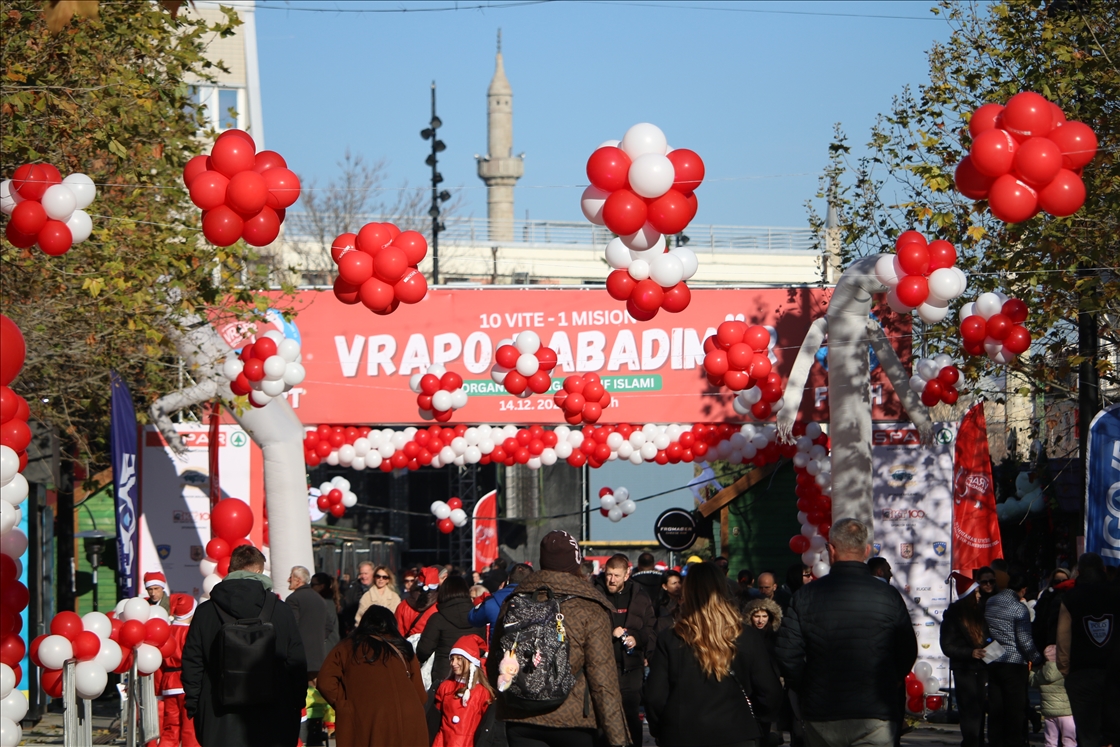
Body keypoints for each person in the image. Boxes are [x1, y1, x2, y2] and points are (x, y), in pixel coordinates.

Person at [774, 518, 917, 747]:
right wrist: (890, 680)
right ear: (867, 551)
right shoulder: (888, 596)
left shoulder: (805, 596)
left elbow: (787, 655)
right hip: (875, 711)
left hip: (823, 711)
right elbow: (907, 649)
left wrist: (808, 687)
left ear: (831, 550)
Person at [488, 530, 628, 747]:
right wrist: (618, 738)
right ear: (576, 562)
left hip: (521, 716)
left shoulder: (515, 601)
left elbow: (495, 661)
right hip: (573, 720)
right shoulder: (589, 608)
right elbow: (603, 681)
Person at [644, 562, 784, 747]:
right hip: (736, 732)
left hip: (682, 733)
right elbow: (769, 691)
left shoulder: (671, 638)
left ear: (687, 592)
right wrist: (756, 720)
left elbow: (655, 697)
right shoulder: (746, 636)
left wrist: (661, 729)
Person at [182, 545, 307, 747]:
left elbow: (192, 662)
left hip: (218, 713)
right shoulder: (282, 611)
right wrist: (296, 703)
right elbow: (297, 661)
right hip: (275, 714)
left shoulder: (206, 612)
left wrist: (195, 705)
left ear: (230, 569)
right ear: (259, 571)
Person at [317, 605, 429, 747]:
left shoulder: (347, 646)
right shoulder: (403, 647)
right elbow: (421, 695)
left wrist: (347, 704)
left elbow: (325, 682)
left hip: (370, 721)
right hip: (410, 720)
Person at [1056, 552, 1120, 747]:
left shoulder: (1071, 597)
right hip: (1115, 672)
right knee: (1115, 734)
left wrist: (1065, 669)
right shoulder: (1117, 593)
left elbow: (1063, 636)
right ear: (1103, 570)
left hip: (1081, 673)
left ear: (1079, 572)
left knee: (1087, 735)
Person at [594, 553, 657, 746]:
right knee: (604, 716)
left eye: (616, 576)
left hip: (631, 666)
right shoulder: (596, 593)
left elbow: (650, 628)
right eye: (609, 575)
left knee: (630, 715)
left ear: (627, 574)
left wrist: (636, 638)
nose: (611, 580)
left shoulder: (639, 596)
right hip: (604, 665)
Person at [983, 570, 1041, 747]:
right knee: (1014, 711)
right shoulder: (1019, 608)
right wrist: (1037, 658)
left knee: (996, 708)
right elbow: (1024, 639)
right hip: (1014, 663)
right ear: (1023, 590)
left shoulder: (991, 602)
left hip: (993, 659)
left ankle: (995, 742)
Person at [939, 573, 991, 747]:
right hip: (964, 669)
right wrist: (970, 653)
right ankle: (970, 742)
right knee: (969, 710)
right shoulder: (953, 616)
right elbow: (947, 646)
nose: (979, 595)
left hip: (982, 668)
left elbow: (988, 636)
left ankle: (978, 741)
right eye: (976, 592)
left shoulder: (982, 612)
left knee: (980, 708)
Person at [418, 576, 487, 688]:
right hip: (472, 676)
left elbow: (423, 651)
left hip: (444, 676)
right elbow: (482, 648)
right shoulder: (477, 616)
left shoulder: (437, 618)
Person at [432, 634, 495, 747]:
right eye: (452, 659)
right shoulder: (445, 686)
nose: (453, 663)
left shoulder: (482, 692)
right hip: (442, 741)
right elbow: (435, 718)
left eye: (459, 659)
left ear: (471, 662)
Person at [158, 594, 199, 747]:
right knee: (190, 729)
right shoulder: (192, 633)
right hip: (188, 683)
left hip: (168, 684)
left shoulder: (165, 632)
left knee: (170, 728)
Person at [288, 566, 341, 682]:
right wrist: (318, 640)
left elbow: (292, 627)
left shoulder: (293, 599)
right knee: (315, 694)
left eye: (290, 577)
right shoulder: (320, 599)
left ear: (298, 580)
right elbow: (329, 626)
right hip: (318, 656)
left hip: (300, 658)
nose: (288, 580)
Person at [469, 562, 533, 641]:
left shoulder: (491, 601)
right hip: (531, 650)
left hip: (499, 650)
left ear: (508, 579)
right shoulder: (540, 600)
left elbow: (473, 618)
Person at [1030, 645, 1075, 747]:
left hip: (1049, 713)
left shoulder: (1041, 673)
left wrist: (1033, 670)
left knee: (1050, 739)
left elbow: (1032, 682)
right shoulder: (1066, 671)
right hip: (1066, 712)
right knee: (1069, 738)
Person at [1031, 568, 1071, 651]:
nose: (1061, 584)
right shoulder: (1046, 597)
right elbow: (1040, 621)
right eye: (1057, 582)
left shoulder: (1073, 598)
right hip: (1048, 642)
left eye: (1064, 581)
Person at [397, 567, 441, 638]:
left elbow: (398, 633)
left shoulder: (403, 606)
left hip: (408, 646)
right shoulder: (441, 606)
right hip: (433, 647)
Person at [340, 562, 375, 634]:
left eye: (366, 573)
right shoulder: (351, 590)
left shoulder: (379, 589)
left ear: (373, 573)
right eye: (361, 573)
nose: (363, 576)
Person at [655, 569, 683, 634]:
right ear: (665, 586)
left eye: (679, 582)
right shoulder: (662, 607)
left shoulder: (685, 602)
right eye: (674, 583)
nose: (677, 586)